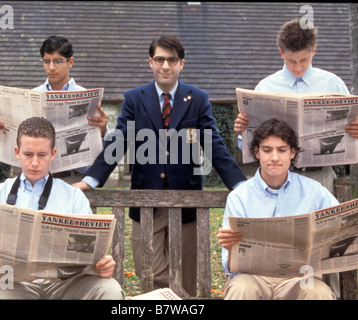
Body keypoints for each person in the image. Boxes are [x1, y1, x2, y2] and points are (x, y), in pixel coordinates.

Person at [74, 35, 247, 296]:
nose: (165, 66)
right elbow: (119, 141)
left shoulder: (197, 99)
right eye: (160, 59)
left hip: (187, 200)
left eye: (172, 60)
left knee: (188, 274)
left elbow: (213, 145)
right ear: (151, 62)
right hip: (146, 201)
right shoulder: (134, 99)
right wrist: (91, 180)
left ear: (181, 64)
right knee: (150, 272)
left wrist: (240, 184)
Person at [0, 117, 124, 300]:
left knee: (109, 290)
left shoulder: (73, 196)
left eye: (42, 155)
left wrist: (102, 264)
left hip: (65, 283)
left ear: (53, 154)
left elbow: (93, 252)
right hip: (12, 282)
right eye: (28, 154)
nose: (35, 162)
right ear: (17, 152)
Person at [217, 118, 358, 300]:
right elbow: (230, 265)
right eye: (267, 150)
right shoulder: (239, 196)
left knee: (317, 292)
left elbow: (347, 240)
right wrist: (231, 248)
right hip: (253, 277)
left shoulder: (315, 191)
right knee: (241, 287)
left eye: (282, 150)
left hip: (301, 277)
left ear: (292, 153)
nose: (274, 157)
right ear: (256, 152)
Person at [234, 18, 358, 193]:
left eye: (303, 60)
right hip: (277, 179)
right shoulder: (265, 87)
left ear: (314, 50)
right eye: (291, 61)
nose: (298, 67)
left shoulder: (333, 84)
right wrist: (242, 130)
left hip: (320, 177)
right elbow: (248, 144)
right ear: (281, 53)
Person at [0, 35, 108, 182]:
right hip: (37, 181)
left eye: (57, 61)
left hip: (74, 181)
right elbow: (0, 152)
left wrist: (102, 131)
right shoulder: (31, 96)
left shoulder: (87, 97)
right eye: (46, 61)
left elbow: (102, 156)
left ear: (70, 62)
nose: (51, 67)